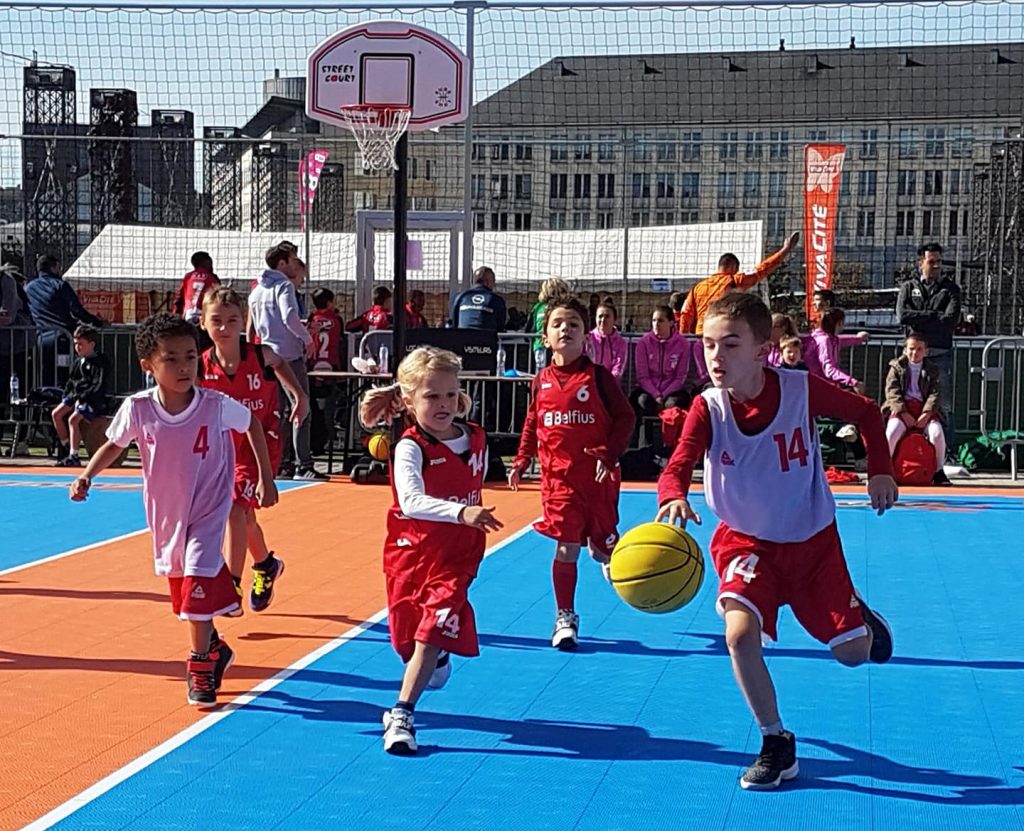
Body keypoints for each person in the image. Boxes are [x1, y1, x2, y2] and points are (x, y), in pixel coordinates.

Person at [655, 291, 897, 790]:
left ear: (763, 350)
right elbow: (679, 461)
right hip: (745, 542)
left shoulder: (800, 389)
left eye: (730, 345)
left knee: (853, 653)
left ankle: (863, 618)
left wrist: (879, 469)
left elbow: (867, 413)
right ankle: (775, 741)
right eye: (708, 345)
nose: (716, 357)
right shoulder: (708, 407)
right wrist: (673, 494)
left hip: (812, 544)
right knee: (739, 635)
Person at [69, 312, 278, 706]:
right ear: (148, 365)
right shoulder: (139, 408)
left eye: (190, 357)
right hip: (167, 516)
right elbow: (114, 444)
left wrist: (266, 478)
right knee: (184, 599)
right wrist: (87, 475)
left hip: (209, 511)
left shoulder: (214, 405)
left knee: (197, 581)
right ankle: (214, 646)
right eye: (171, 359)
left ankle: (200, 666)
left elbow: (251, 423)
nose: (184, 367)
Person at [358, 347, 502, 755]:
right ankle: (434, 661)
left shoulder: (476, 438)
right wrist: (461, 511)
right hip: (410, 555)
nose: (443, 404)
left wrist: (464, 518)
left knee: (429, 633)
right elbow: (410, 501)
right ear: (408, 400)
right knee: (407, 643)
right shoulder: (410, 447)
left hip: (456, 558)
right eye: (432, 396)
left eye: (450, 394)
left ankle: (402, 714)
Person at [508, 294, 635, 650]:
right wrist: (521, 460)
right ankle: (565, 617)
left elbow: (626, 417)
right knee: (566, 548)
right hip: (559, 483)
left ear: (586, 335)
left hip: (598, 480)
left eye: (574, 324)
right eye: (557, 324)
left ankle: (603, 548)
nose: (565, 329)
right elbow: (532, 423)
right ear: (545, 337)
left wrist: (609, 453)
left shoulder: (598, 378)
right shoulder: (541, 381)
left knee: (605, 546)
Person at [200, 287, 293, 614]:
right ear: (203, 323)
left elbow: (280, 362)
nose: (224, 327)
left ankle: (231, 584)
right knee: (245, 517)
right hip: (225, 448)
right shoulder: (201, 366)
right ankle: (266, 564)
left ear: (243, 321)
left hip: (260, 444)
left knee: (234, 510)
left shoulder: (259, 355)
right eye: (216, 321)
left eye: (232, 320)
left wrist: (299, 395)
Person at [248, 243, 321, 480]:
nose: (295, 263)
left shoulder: (257, 290)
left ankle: (281, 462)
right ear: (282, 263)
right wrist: (307, 338)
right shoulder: (283, 285)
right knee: (302, 407)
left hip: (267, 356)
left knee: (279, 412)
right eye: (292, 259)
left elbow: (252, 327)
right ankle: (303, 465)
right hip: (288, 356)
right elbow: (289, 316)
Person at [896, 243, 961, 460]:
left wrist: (921, 318)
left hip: (939, 351)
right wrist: (933, 315)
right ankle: (905, 450)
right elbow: (903, 315)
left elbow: (950, 319)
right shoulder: (908, 287)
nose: (936, 266)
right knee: (905, 398)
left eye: (939, 262)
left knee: (943, 403)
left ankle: (948, 453)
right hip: (912, 354)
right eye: (931, 262)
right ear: (920, 263)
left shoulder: (950, 289)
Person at [679, 232, 799, 334]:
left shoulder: (698, 288)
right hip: (723, 332)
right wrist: (785, 250)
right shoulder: (734, 280)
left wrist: (683, 337)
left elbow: (685, 313)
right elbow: (763, 269)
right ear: (733, 267)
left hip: (702, 334)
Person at [883, 333, 950, 486]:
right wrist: (903, 412)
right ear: (905, 350)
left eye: (919, 349)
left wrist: (926, 414)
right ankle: (885, 470)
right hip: (902, 409)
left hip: (924, 410)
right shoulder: (896, 367)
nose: (915, 353)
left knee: (937, 434)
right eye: (911, 348)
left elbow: (935, 393)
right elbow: (892, 392)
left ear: (926, 351)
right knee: (891, 433)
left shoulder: (932, 369)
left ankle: (939, 471)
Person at [631, 305, 699, 445]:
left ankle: (670, 444)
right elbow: (642, 376)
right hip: (649, 389)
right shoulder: (643, 343)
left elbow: (680, 376)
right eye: (654, 320)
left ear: (671, 322)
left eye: (661, 320)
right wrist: (656, 394)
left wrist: (664, 394)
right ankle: (645, 445)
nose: (656, 324)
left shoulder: (682, 344)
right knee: (642, 401)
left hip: (672, 389)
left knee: (673, 404)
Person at [51, 325, 109, 466]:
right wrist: (67, 396)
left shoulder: (100, 362)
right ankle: (66, 445)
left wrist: (82, 398)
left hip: (92, 399)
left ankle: (74, 455)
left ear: (91, 344)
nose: (78, 347)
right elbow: (71, 381)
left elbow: (97, 385)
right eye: (76, 344)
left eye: (81, 344)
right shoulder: (78, 362)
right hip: (76, 395)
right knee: (56, 414)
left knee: (73, 420)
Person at [24, 255, 105, 335]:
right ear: (52, 268)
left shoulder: (28, 289)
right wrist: (96, 322)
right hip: (62, 333)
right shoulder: (60, 285)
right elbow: (76, 310)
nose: (60, 271)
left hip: (38, 335)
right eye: (58, 268)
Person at [306, 288, 344, 455]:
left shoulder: (312, 319)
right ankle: (328, 440)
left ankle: (314, 442)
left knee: (314, 407)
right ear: (329, 303)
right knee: (330, 406)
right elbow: (339, 340)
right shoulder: (336, 320)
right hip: (331, 367)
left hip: (313, 367)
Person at [805, 308, 869, 394]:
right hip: (820, 387)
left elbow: (841, 341)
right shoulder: (824, 341)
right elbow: (829, 370)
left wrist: (858, 339)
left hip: (819, 385)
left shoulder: (826, 338)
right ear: (839, 323)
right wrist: (853, 382)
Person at [526, 278, 571, 371]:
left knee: (542, 372)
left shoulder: (538, 307)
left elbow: (530, 328)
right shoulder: (562, 307)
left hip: (540, 345)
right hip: (558, 346)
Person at [448, 266, 507, 331]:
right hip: (486, 337)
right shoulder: (496, 300)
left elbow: (453, 324)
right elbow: (500, 327)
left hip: (463, 336)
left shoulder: (461, 297)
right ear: (488, 282)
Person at [172, 251, 220, 325]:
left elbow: (178, 299)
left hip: (188, 315)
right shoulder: (212, 279)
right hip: (205, 317)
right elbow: (218, 300)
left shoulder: (188, 277)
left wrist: (175, 318)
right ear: (206, 262)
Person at [587, 301, 627, 380]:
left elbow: (618, 368)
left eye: (607, 316)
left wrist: (607, 382)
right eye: (600, 316)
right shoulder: (587, 339)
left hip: (610, 382)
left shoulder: (621, 343)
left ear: (614, 320)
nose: (603, 320)